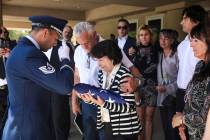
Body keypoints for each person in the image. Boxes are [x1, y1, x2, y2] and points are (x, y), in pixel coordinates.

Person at [2, 15, 74, 140]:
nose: (55, 43)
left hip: (26, 126)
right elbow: (65, 86)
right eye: (55, 38)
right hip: (28, 131)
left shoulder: (20, 50)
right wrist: (66, 60)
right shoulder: (30, 55)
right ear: (46, 32)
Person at [72, 21, 140, 140]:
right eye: (80, 43)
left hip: (113, 108)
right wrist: (75, 101)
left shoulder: (110, 48)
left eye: (86, 43)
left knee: (106, 135)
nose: (84, 47)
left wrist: (137, 83)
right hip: (90, 102)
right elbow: (76, 75)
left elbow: (133, 72)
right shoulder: (79, 51)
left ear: (94, 35)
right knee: (89, 135)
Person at [173, 5, 207, 139]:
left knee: (197, 131)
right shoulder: (181, 46)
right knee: (181, 132)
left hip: (198, 96)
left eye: (185, 19)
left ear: (196, 20)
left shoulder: (205, 47)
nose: (181, 22)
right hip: (181, 93)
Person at [49, 25, 74, 140]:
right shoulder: (51, 46)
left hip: (64, 84)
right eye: (66, 32)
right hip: (53, 85)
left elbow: (73, 65)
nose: (67, 34)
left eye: (70, 32)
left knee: (62, 114)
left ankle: (64, 135)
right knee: (57, 115)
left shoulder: (69, 46)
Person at [134, 24, 158, 140]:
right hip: (138, 88)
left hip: (152, 88)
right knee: (140, 118)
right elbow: (131, 72)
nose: (144, 37)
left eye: (146, 34)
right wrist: (134, 91)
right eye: (141, 35)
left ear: (151, 36)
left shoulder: (157, 49)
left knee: (149, 118)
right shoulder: (134, 51)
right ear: (139, 37)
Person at [156, 29, 179, 140]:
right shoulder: (159, 55)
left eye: (166, 38)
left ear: (172, 40)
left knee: (173, 129)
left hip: (173, 96)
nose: (162, 41)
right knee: (165, 128)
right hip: (161, 98)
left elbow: (182, 78)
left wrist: (167, 88)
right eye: (160, 38)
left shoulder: (177, 56)